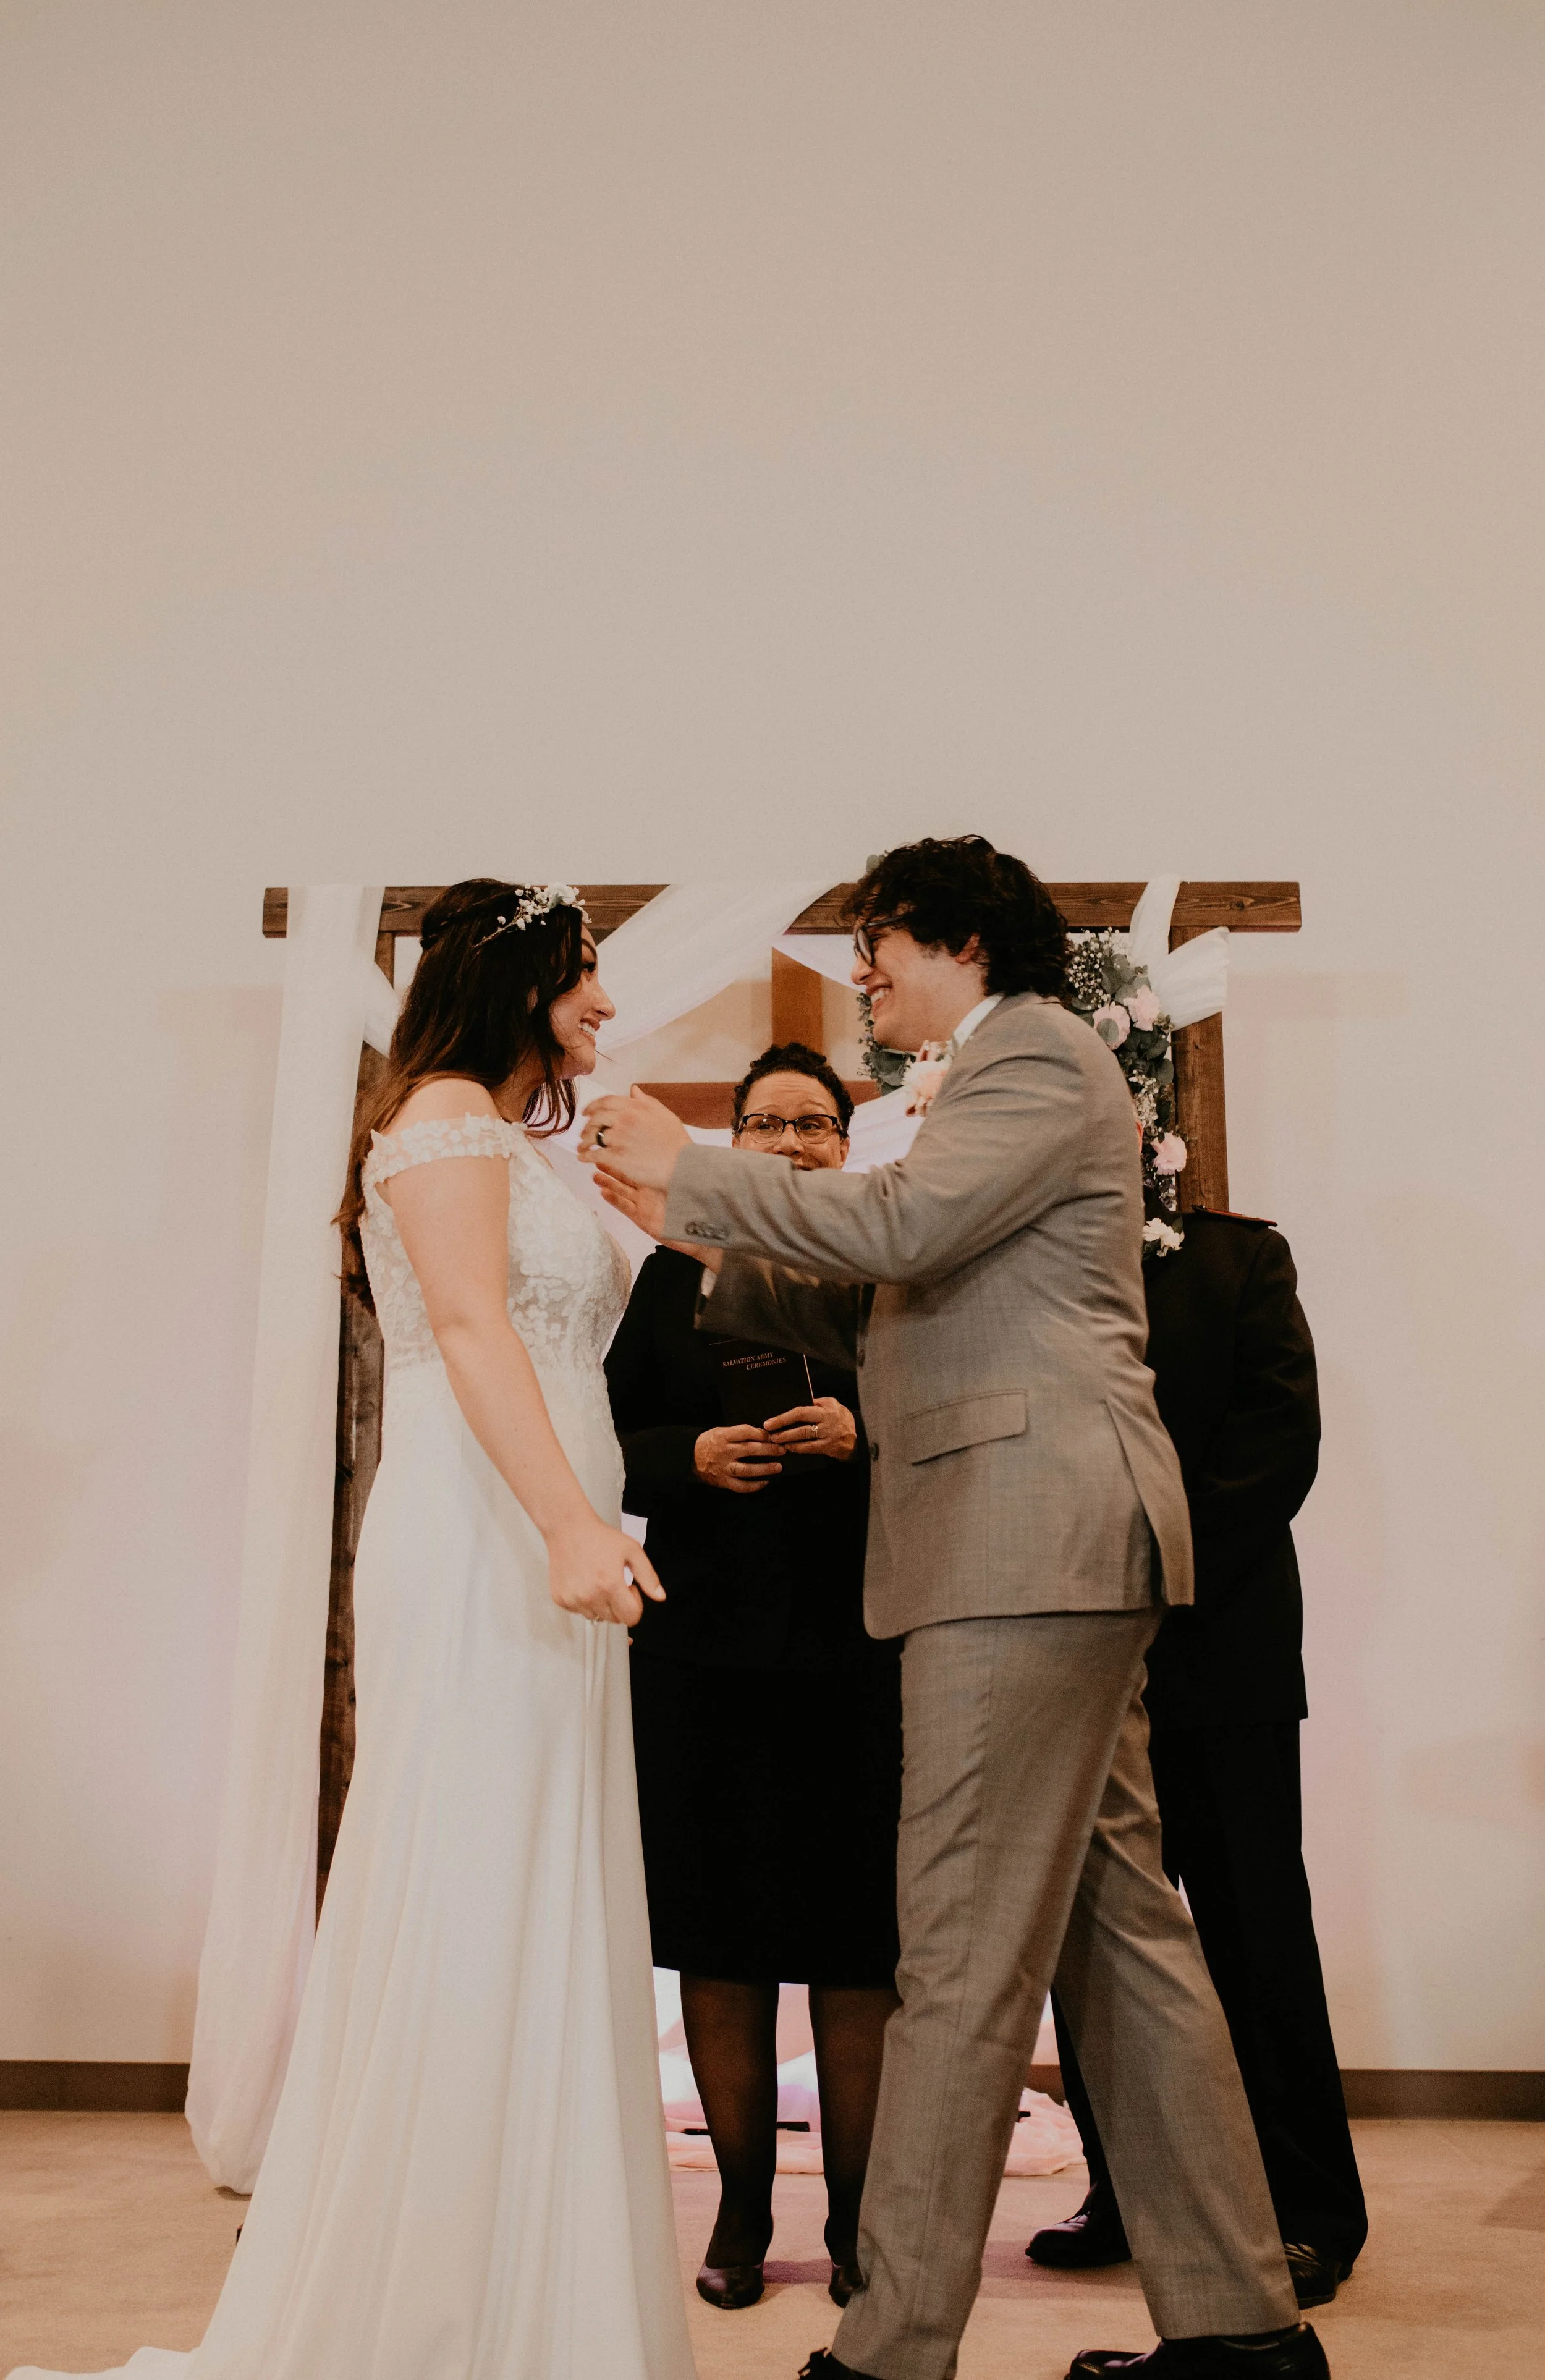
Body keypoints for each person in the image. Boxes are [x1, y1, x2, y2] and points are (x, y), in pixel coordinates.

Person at [582, 836, 1327, 2380]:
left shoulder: (1036, 1054)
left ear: (958, 941)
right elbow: (886, 1299)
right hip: (1034, 1545)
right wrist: (692, 1229)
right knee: (1117, 1938)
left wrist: (696, 1157)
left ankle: (890, 2348)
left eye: (878, 943)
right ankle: (1240, 2331)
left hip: (1022, 1542)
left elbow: (903, 1238)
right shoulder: (976, 1081)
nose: (861, 972)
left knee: (959, 1949)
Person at [9, 880, 697, 2380]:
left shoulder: (519, 1139)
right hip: (485, 1540)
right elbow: (465, 1330)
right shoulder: (442, 1119)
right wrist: (570, 1526)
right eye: (586, 979)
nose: (602, 1006)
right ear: (519, 982)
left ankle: (547, 2274)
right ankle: (444, 2296)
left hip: (549, 1539)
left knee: (544, 1874)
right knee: (470, 1868)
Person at [606, 1041, 902, 2315]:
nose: (790, 1143)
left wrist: (864, 1429)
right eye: (764, 1122)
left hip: (862, 1651)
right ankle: (735, 2204)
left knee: (857, 1948)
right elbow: (602, 1435)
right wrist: (690, 1453)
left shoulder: (890, 1267)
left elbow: (966, 1423)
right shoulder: (674, 1274)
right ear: (726, 1141)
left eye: (815, 1124)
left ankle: (856, 2219)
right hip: (701, 1652)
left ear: (850, 1142)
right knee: (718, 1945)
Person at [1030, 1210, 1367, 2312]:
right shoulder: (1019, 1249)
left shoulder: (1240, 1257)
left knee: (1255, 1931)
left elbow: (1280, 1438)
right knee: (1100, 1939)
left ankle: (1307, 2212)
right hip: (1073, 1649)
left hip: (1221, 1648)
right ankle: (1122, 2190)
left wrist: (1155, 1571)